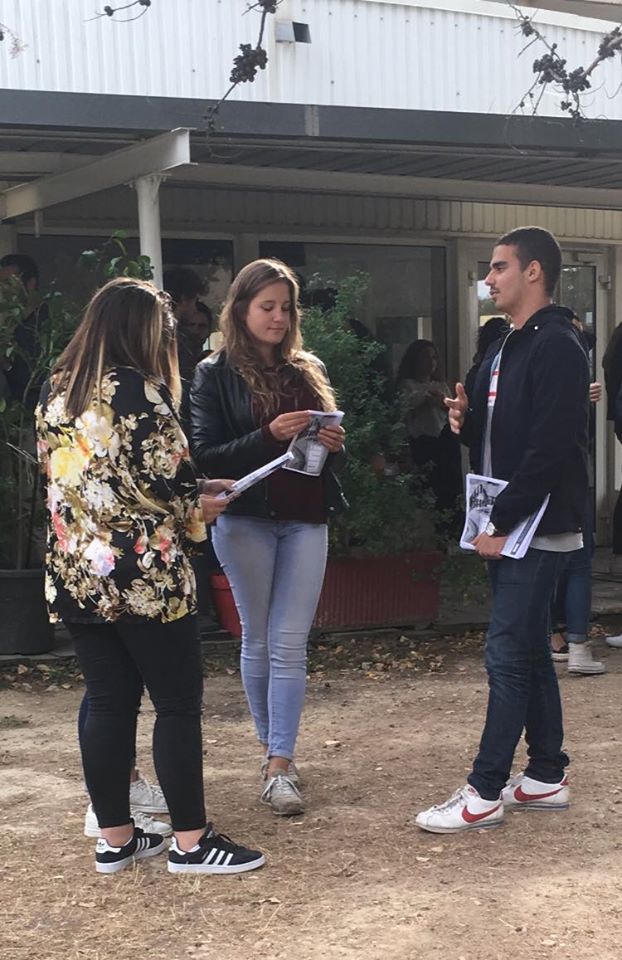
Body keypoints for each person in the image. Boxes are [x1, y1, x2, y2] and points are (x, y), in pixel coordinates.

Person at [36, 276, 265, 875]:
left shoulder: (55, 391)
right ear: (143, 330)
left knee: (108, 701)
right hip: (145, 573)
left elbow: (88, 481)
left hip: (78, 569)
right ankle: (192, 842)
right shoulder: (139, 389)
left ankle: (117, 838)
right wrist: (202, 504)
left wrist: (188, 492)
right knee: (177, 703)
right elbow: (167, 480)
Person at [416, 226, 589, 834]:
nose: (487, 278)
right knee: (528, 653)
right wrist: (465, 422)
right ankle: (545, 775)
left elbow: (549, 447)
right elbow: (496, 436)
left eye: (498, 267)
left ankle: (483, 792)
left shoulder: (559, 345)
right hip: (510, 523)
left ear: (534, 271)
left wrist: (497, 520)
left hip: (533, 526)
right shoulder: (506, 345)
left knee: (507, 655)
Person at [190, 258, 346, 816]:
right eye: (267, 307)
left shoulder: (307, 369)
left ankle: (281, 762)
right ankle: (269, 750)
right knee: (257, 637)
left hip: (306, 516)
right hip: (246, 517)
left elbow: (323, 456)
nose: (278, 318)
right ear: (241, 310)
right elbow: (202, 457)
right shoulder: (214, 373)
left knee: (288, 641)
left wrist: (331, 443)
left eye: (286, 308)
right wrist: (266, 436)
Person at [549, 317, 604, 675]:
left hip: (567, 479)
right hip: (558, 481)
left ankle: (566, 639)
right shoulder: (544, 363)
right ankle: (568, 641)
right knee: (566, 563)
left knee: (574, 561)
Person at [396, 338, 462, 513]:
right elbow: (403, 412)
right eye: (425, 357)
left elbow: (452, 412)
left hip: (444, 443)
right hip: (421, 444)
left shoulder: (441, 385)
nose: (430, 362)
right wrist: (424, 399)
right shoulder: (407, 385)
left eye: (433, 358)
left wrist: (441, 401)